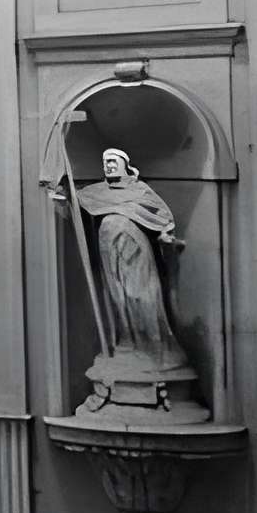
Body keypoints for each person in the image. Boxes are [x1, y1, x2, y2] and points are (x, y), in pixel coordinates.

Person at [69, 146, 187, 373]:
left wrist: (165, 234)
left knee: (142, 297)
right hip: (110, 253)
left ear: (125, 164)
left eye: (113, 161)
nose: (108, 165)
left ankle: (157, 349)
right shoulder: (97, 191)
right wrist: (62, 192)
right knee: (118, 298)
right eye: (105, 162)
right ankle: (129, 345)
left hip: (134, 251)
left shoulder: (139, 190)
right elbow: (74, 197)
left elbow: (161, 215)